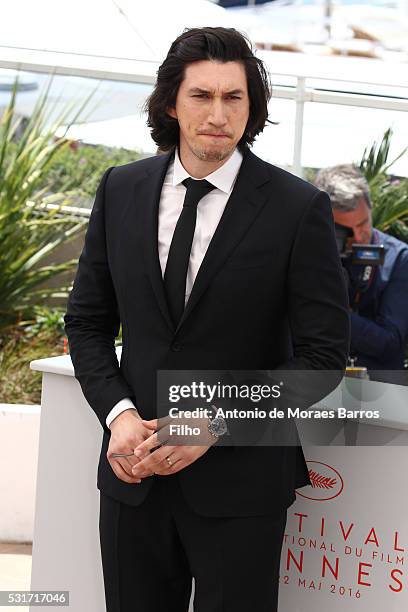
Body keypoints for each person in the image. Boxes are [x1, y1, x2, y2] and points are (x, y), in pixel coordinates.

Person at [64, 27, 349, 612]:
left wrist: (216, 422)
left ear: (252, 107)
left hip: (241, 485)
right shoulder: (121, 188)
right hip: (133, 474)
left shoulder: (299, 209)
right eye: (201, 96)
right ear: (172, 102)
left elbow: (322, 360)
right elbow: (87, 322)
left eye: (234, 97)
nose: (218, 114)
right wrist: (117, 415)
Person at [314, 164, 408, 382]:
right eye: (344, 230)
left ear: (370, 207)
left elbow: (389, 344)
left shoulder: (399, 259)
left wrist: (329, 310)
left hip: (379, 395)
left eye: (363, 224)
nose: (358, 237)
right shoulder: (307, 254)